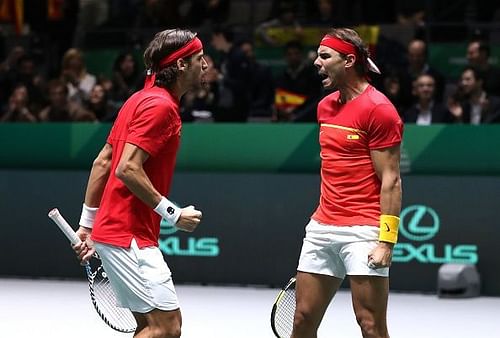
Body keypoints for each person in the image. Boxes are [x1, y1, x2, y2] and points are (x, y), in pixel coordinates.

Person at [72, 29, 206, 338]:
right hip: (129, 234)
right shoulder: (161, 107)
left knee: (151, 326)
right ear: (182, 65)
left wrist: (88, 224)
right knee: (167, 328)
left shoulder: (138, 99)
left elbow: (102, 161)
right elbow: (126, 168)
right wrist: (173, 214)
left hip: (117, 230)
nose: (206, 65)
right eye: (200, 58)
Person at [292, 28, 403, 338]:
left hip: (364, 230)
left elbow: (391, 181)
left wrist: (386, 241)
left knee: (370, 325)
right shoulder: (325, 107)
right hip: (322, 227)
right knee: (301, 320)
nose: (316, 62)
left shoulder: (379, 110)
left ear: (349, 60)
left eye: (325, 56)